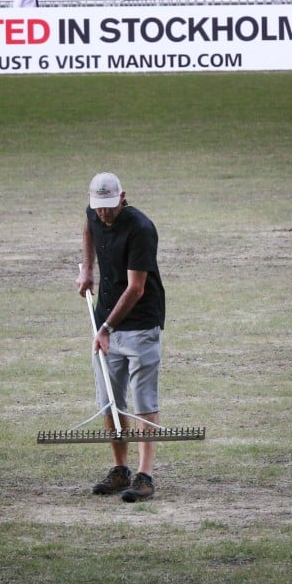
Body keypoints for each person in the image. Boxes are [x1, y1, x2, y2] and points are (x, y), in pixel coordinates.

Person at [76, 172, 166, 503]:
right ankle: (120, 470)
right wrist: (88, 268)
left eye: (109, 208)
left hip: (141, 324)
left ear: (122, 197)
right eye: (98, 208)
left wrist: (105, 329)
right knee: (110, 402)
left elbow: (136, 288)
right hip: (107, 326)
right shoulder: (93, 213)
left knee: (143, 403)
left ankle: (145, 477)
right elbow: (88, 228)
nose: (103, 215)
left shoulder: (141, 229)